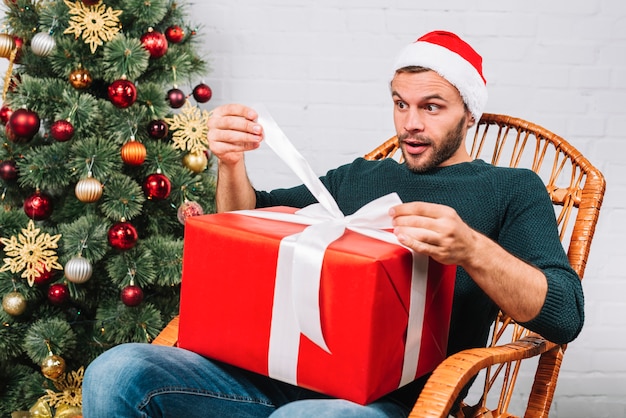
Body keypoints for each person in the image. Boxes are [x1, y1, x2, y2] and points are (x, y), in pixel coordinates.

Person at [82, 30, 584, 418]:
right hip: (278, 381)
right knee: (116, 372)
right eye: (400, 103)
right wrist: (232, 163)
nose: (410, 123)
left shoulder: (511, 190)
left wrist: (472, 249)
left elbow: (564, 314)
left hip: (393, 405)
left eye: (432, 108)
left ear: (469, 113)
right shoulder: (358, 178)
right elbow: (253, 219)